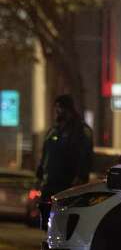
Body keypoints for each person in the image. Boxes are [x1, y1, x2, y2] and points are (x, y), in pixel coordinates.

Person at [36, 95, 93, 229]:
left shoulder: (81, 131)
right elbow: (45, 155)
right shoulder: (53, 131)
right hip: (50, 184)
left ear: (68, 109)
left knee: (66, 220)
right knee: (47, 218)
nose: (57, 111)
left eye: (60, 108)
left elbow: (85, 156)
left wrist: (80, 176)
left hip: (68, 185)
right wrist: (39, 174)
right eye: (56, 108)